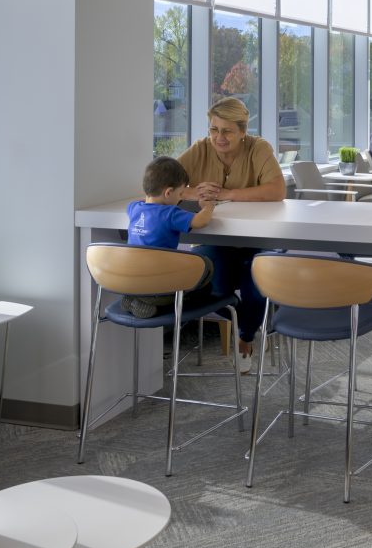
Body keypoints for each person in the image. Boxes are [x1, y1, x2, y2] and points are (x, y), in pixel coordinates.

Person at [176, 97, 285, 370]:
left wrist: (228, 194)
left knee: (256, 289)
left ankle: (245, 338)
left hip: (259, 240)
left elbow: (277, 190)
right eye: (214, 129)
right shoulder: (200, 149)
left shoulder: (258, 148)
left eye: (227, 131)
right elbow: (165, 185)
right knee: (209, 287)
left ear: (243, 131)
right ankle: (248, 319)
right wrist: (194, 192)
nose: (219, 137)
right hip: (217, 240)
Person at [121, 156, 216, 319]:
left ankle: (136, 298)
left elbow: (140, 203)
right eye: (180, 193)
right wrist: (208, 207)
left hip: (133, 281)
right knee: (206, 268)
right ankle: (153, 302)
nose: (181, 198)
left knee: (150, 280)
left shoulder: (134, 208)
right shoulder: (171, 213)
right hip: (160, 285)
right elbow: (200, 221)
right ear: (168, 193)